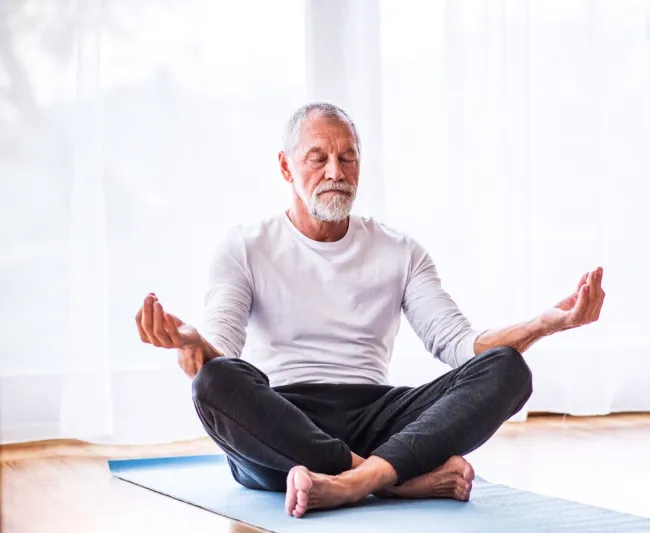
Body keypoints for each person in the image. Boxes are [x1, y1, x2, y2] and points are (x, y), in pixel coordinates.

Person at [134, 102, 605, 519]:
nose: (336, 171)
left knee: (507, 369)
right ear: (286, 167)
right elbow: (222, 351)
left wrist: (547, 323)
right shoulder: (244, 247)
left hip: (376, 415)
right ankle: (396, 480)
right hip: (284, 420)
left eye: (348, 156)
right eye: (318, 158)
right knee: (215, 380)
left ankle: (354, 482)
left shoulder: (400, 251)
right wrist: (193, 345)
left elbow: (462, 346)